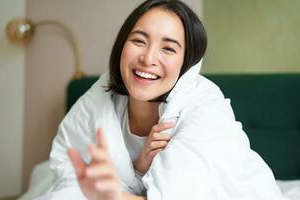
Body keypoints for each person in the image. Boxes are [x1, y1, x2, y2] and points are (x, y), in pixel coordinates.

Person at [37, 0, 283, 199]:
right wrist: (138, 168)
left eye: (168, 48)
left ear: (187, 63)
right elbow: (68, 173)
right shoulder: (99, 97)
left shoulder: (205, 110)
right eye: (138, 41)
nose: (148, 58)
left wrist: (113, 195)